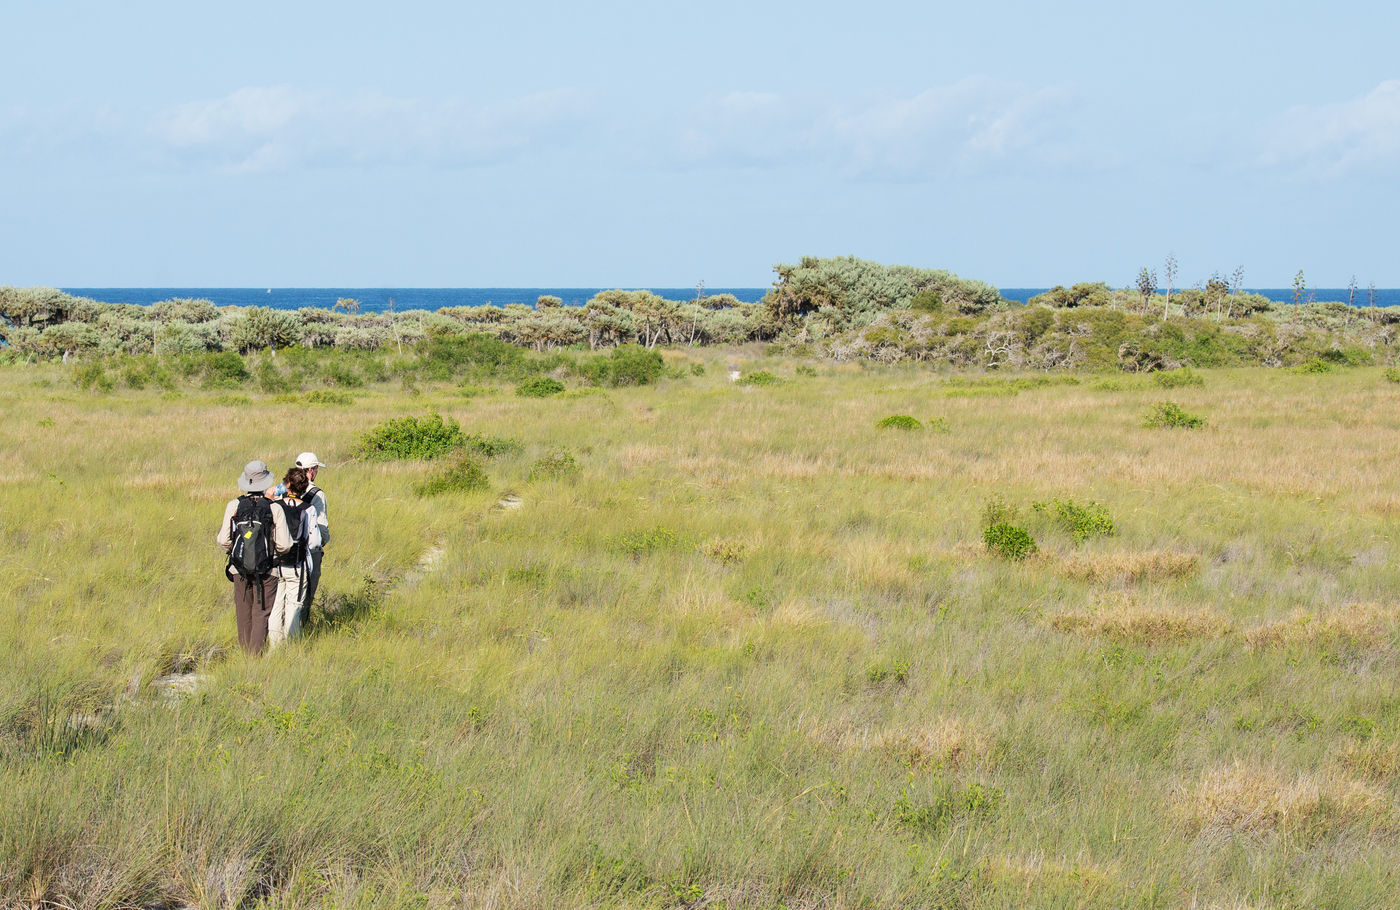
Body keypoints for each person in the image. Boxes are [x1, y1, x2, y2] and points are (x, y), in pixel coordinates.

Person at [216, 460, 293, 655]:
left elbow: (223, 540)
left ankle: (245, 657)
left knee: (243, 614)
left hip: (239, 569)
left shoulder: (234, 505)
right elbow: (284, 544)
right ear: (265, 482)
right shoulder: (275, 508)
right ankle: (255, 658)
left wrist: (237, 554)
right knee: (261, 614)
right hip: (268, 570)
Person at [267, 467, 317, 648]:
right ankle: (292, 647)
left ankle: (274, 647)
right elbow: (314, 541)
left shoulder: (275, 506)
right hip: (298, 565)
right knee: (294, 607)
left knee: (275, 606)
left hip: (275, 563)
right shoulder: (308, 508)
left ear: (286, 484)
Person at [295, 451, 329, 627]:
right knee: (306, 594)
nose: (316, 471)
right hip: (309, 550)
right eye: (316, 468)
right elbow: (322, 530)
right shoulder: (316, 494)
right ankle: (301, 629)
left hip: (285, 551)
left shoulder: (283, 489)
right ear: (310, 470)